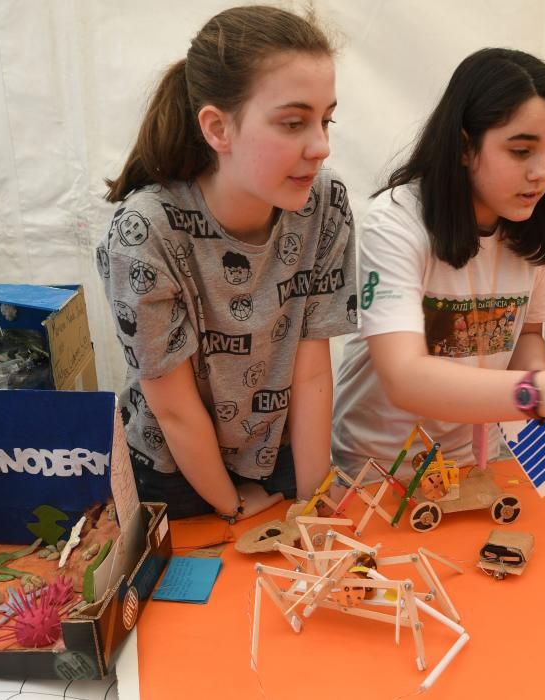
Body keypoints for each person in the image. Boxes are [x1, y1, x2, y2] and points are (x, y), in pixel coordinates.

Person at [332, 48, 545, 474]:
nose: (541, 172)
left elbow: (525, 336)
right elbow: (404, 377)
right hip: (375, 476)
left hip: (469, 470)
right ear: (465, 147)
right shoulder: (395, 223)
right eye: (521, 151)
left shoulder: (533, 228)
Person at [96, 6, 356, 520]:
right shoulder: (143, 232)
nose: (322, 146)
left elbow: (310, 372)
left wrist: (313, 502)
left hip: (280, 456)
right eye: (293, 122)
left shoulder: (325, 205)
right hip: (177, 473)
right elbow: (172, 406)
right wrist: (233, 506)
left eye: (326, 119)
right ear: (218, 127)